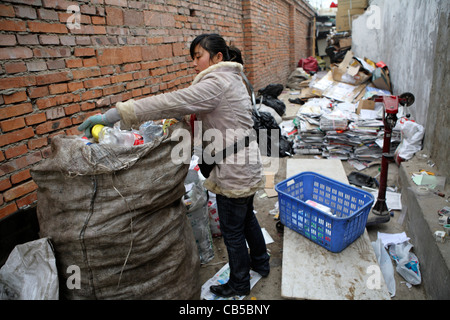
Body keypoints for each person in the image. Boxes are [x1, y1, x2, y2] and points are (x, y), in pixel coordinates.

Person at [78, 33, 270, 298]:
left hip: (234, 169)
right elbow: (201, 109)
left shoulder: (216, 82)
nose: (194, 63)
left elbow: (170, 101)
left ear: (217, 57)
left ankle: (238, 284)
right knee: (246, 217)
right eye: (192, 57)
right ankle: (261, 262)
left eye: (198, 56)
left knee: (232, 231)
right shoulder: (234, 78)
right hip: (246, 161)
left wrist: (114, 115)